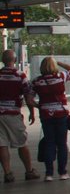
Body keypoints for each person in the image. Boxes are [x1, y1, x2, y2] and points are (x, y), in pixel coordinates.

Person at [32, 56, 70, 181]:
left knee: (49, 143)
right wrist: (59, 62)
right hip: (60, 115)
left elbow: (29, 99)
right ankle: (62, 173)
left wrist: (40, 107)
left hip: (46, 115)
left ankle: (49, 174)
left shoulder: (36, 81)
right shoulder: (61, 77)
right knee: (62, 144)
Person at [0, 49, 40, 182]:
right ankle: (29, 171)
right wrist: (33, 113)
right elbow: (29, 98)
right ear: (15, 60)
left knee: (2, 144)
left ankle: (8, 173)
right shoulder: (20, 76)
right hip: (13, 114)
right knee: (22, 143)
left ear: (2, 60)